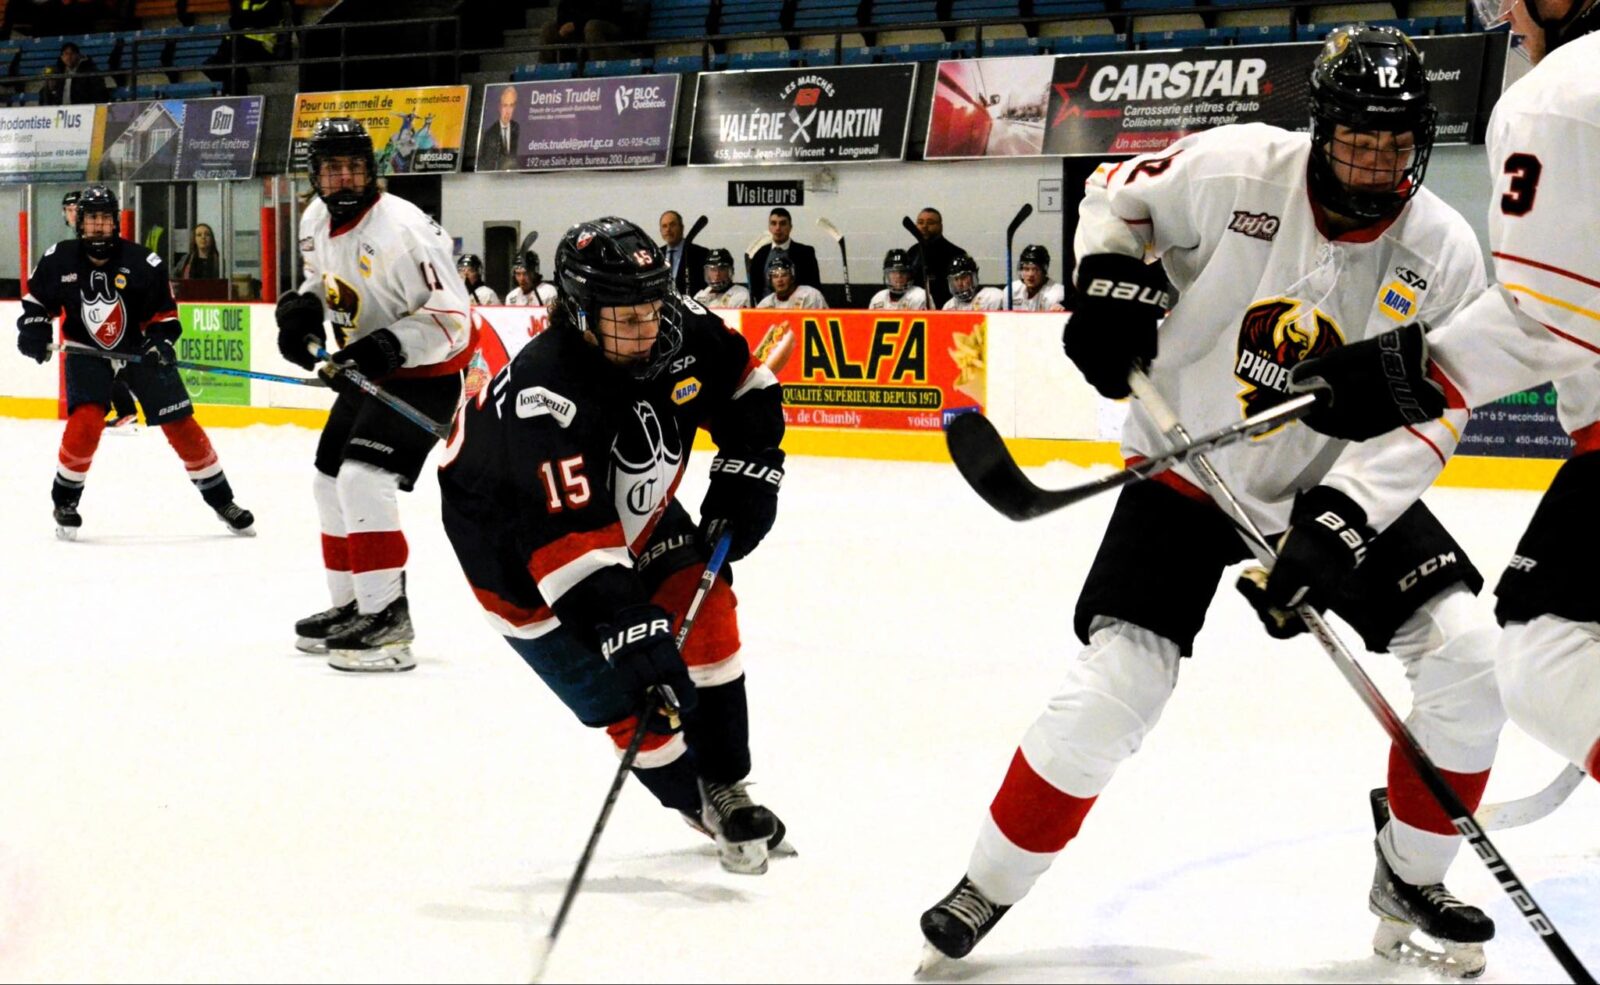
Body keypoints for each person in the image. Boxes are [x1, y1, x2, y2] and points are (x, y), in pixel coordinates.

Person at [919, 27, 1510, 978]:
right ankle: (987, 881)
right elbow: (1118, 195)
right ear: (1320, 128)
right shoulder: (1237, 163)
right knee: (1119, 685)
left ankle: (1412, 871)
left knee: (1470, 659)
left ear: (1423, 143)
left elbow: (1434, 413)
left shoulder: (1443, 251)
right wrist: (1108, 283)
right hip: (1185, 466)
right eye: (1356, 139)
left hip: (1330, 483)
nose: (1374, 162)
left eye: (1395, 143)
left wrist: (1344, 517)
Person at [1264, 0, 1600, 788]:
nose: (1505, 15)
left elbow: (1551, 319)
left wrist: (1400, 372)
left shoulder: (1558, 93)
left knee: (1542, 651)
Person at [438, 216, 790, 873]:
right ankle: (693, 798)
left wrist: (751, 473)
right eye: (624, 317)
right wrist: (629, 629)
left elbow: (749, 385)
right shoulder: (550, 392)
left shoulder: (679, 327)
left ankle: (727, 782)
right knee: (629, 698)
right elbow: (569, 547)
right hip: (514, 557)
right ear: (576, 312)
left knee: (707, 609)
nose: (646, 329)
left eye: (652, 308)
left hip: (630, 505)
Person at [274, 117, 474, 673]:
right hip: (369, 369)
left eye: (355, 168)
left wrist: (382, 347)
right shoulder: (315, 218)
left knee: (365, 479)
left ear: (371, 171)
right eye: (332, 169)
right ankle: (353, 607)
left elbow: (455, 319)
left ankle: (388, 620)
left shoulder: (403, 230)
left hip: (428, 372)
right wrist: (304, 310)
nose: (344, 179)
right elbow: (324, 279)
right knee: (328, 481)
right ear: (315, 175)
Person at [15, 185, 255, 539]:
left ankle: (223, 501)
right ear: (80, 223)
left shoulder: (144, 263)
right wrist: (34, 329)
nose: (99, 226)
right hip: (86, 351)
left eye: (105, 219)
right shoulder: (59, 258)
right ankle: (65, 500)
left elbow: (165, 318)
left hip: (140, 351)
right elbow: (36, 301)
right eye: (92, 219)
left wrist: (160, 344)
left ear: (116, 223)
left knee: (181, 425)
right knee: (86, 421)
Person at [746, 208, 821, 295]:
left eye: (782, 223)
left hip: (796, 306)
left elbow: (814, 288)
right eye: (773, 223)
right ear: (769, 227)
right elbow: (756, 288)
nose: (778, 228)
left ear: (790, 227)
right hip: (766, 306)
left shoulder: (805, 253)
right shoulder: (759, 253)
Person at [907, 207, 966, 309]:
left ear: (940, 226)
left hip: (946, 311)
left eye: (930, 223)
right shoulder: (912, 252)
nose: (924, 226)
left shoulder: (956, 253)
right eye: (920, 222)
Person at [538, 0, 627, 64]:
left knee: (591, 26)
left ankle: (598, 68)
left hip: (608, 25)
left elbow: (603, 12)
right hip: (579, 28)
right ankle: (543, 71)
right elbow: (563, 10)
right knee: (548, 28)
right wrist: (564, 25)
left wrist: (576, 25)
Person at [40, 42, 109, 106]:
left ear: (78, 55)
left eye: (72, 54)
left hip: (83, 111)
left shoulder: (89, 71)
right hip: (64, 112)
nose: (69, 57)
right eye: (66, 54)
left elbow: (98, 93)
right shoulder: (59, 73)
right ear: (62, 57)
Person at [660, 210, 710, 298]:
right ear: (661, 231)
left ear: (681, 228)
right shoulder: (657, 255)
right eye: (664, 226)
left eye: (672, 225)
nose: (668, 229)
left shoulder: (701, 254)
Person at [755, 252, 825, 310]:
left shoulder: (810, 295)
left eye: (784, 275)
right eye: (775, 276)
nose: (780, 280)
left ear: (792, 277)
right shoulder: (766, 303)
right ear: (770, 281)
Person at [1007, 244, 1065, 311]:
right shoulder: (1012, 291)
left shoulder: (1055, 294)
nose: (1030, 274)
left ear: (1044, 271)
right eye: (1026, 269)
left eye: (1035, 269)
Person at [478, 86, 520, 172]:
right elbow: (487, 165)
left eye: (511, 106)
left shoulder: (517, 128)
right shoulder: (489, 134)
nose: (508, 111)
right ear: (499, 107)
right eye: (505, 105)